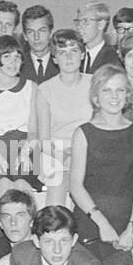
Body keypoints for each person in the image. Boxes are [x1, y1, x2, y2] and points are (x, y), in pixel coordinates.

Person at [70, 65, 133, 260]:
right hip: (91, 221)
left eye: (120, 90)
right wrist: (102, 224)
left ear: (127, 95)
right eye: (107, 90)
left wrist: (132, 227)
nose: (114, 96)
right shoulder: (83, 133)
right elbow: (75, 186)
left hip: (128, 224)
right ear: (96, 96)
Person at [0, 35, 39, 195]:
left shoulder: (31, 88)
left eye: (17, 57)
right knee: (3, 185)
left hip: (26, 146)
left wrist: (25, 152)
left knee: (22, 185)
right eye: (7, 56)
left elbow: (33, 130)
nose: (13, 62)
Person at [35, 29, 92, 205]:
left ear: (82, 54)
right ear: (54, 58)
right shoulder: (45, 90)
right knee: (57, 184)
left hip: (90, 153)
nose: (68, 58)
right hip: (56, 155)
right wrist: (64, 156)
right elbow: (43, 140)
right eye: (62, 52)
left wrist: (81, 155)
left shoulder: (95, 83)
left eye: (73, 51)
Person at [75, 2, 120, 74]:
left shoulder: (114, 59)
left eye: (85, 21)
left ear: (101, 24)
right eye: (78, 21)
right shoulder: (75, 55)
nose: (79, 26)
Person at [0, 189, 36, 265]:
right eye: (6, 216)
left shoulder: (44, 253)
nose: (13, 222)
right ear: (0, 224)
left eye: (20, 215)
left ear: (32, 221)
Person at [21, 5, 57, 82]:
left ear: (50, 33)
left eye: (41, 30)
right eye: (30, 32)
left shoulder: (62, 62)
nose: (36, 37)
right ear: (25, 36)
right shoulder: (17, 64)